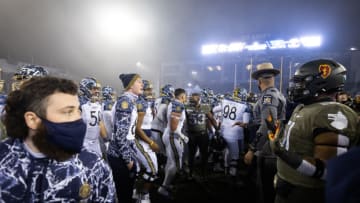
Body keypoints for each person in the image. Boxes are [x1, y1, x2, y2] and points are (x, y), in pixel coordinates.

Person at [0, 76, 116, 202]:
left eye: (78, 111)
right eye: (68, 112)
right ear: (32, 119)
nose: (78, 119)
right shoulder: (4, 163)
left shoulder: (93, 165)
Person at [271, 59, 359, 203]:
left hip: (307, 193)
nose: (296, 87)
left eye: (301, 82)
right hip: (289, 189)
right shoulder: (306, 108)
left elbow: (329, 171)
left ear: (321, 82)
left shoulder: (331, 112)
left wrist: (285, 155)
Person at [243, 62, 286, 203]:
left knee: (265, 191)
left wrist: (252, 148)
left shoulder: (268, 97)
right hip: (273, 148)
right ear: (273, 78)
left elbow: (268, 125)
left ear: (259, 81)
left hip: (268, 151)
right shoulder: (276, 94)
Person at [107, 73, 143, 203]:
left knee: (126, 190)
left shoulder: (129, 100)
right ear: (130, 85)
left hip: (124, 150)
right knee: (123, 191)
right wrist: (128, 160)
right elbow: (120, 135)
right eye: (139, 82)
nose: (142, 84)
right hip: (120, 154)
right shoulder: (125, 102)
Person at [158, 88, 188, 198]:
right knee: (175, 164)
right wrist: (182, 136)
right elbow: (174, 127)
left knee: (170, 162)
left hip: (170, 135)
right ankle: (164, 187)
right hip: (173, 136)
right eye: (185, 96)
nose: (186, 98)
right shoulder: (178, 105)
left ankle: (166, 184)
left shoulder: (173, 103)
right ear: (182, 96)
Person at [133, 79, 159, 203]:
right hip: (140, 139)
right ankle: (142, 194)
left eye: (150, 89)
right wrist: (151, 142)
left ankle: (137, 192)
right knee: (152, 170)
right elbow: (138, 129)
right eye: (147, 89)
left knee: (144, 170)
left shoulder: (145, 102)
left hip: (144, 139)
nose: (150, 91)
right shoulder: (140, 103)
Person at [185, 90, 217, 179]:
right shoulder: (186, 106)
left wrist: (217, 129)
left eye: (195, 97)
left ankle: (203, 172)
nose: (192, 98)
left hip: (202, 134)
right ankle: (190, 172)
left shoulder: (205, 107)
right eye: (192, 97)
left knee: (204, 154)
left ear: (199, 98)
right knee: (191, 154)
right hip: (191, 134)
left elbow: (211, 119)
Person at [79, 77, 108, 157]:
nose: (97, 91)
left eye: (98, 89)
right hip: (82, 143)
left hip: (95, 142)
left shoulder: (97, 103)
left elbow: (100, 122)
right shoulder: (78, 104)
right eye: (94, 89)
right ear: (85, 88)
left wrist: (106, 141)